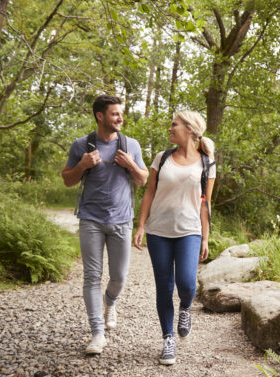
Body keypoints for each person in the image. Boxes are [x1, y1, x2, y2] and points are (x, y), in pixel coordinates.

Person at [62, 95, 148, 354]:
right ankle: (97, 334)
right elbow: (67, 179)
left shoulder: (130, 144)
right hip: (91, 220)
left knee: (119, 277)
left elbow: (143, 179)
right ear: (100, 116)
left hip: (122, 221)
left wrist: (131, 163)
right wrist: (83, 164)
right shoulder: (82, 145)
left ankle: (110, 301)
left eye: (121, 113)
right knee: (91, 277)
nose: (120, 118)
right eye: (115, 114)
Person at [132, 110, 216, 365]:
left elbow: (206, 204)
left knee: (187, 283)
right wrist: (141, 225)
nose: (170, 128)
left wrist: (205, 238)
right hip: (159, 231)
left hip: (190, 230)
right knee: (164, 286)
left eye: (174, 125)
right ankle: (168, 340)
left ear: (189, 130)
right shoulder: (162, 157)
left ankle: (185, 309)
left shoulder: (207, 162)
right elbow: (149, 192)